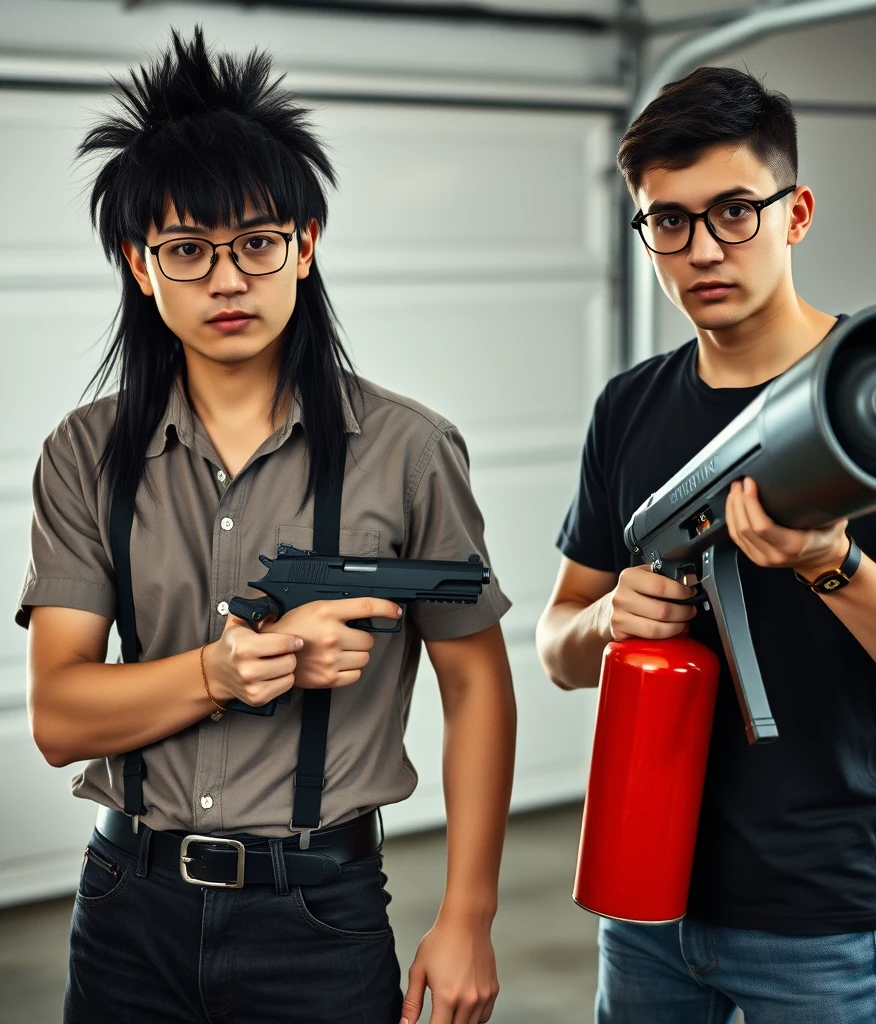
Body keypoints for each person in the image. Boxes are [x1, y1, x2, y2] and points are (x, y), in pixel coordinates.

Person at [19, 28, 515, 1024]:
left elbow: (476, 682)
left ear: (306, 242)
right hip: (126, 909)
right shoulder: (83, 452)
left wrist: (467, 912)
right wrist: (221, 671)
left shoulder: (408, 449)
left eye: (256, 242)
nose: (228, 279)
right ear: (138, 262)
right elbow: (60, 718)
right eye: (186, 250)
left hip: (318, 914)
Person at [536, 66, 876, 1024]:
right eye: (668, 222)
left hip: (819, 921)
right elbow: (554, 647)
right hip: (642, 906)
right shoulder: (627, 408)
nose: (703, 248)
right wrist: (605, 622)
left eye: (735, 211)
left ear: (796, 214)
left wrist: (829, 564)